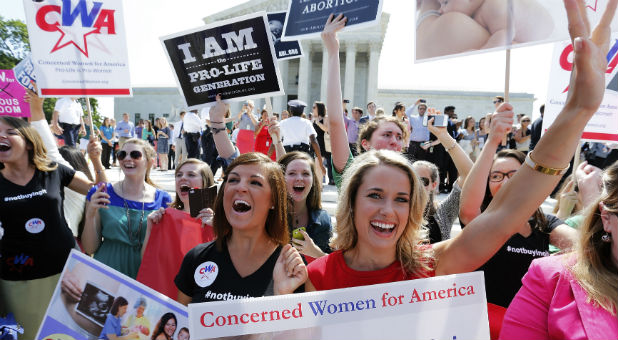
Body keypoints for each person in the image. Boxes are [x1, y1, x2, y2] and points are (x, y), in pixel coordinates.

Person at [308, 4, 611, 331]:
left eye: (401, 199)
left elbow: (506, 211)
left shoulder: (432, 265)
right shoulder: (317, 276)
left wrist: (578, 110)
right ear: (350, 201)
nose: (387, 209)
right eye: (375, 195)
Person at [0, 92, 106, 340]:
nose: (1, 137)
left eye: (10, 132)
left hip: (70, 270)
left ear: (28, 141)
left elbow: (100, 192)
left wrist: (96, 160)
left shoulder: (52, 170)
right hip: (21, 282)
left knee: (81, 335)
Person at [500, 161, 618, 339]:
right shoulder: (550, 277)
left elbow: (585, 241)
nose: (507, 183)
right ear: (607, 218)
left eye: (513, 175)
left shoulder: (547, 223)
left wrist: (590, 203)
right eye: (497, 176)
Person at [174, 150, 307, 304]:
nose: (240, 187)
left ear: (273, 201)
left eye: (255, 182)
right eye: (233, 180)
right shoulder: (196, 258)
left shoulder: (291, 266)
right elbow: (181, 325)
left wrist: (281, 295)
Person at [83, 138, 172, 279]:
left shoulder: (163, 199)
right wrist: (90, 215)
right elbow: (89, 248)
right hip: (107, 272)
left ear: (150, 162)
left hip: (145, 273)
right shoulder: (101, 193)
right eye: (122, 155)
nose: (127, 159)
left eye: (135, 155)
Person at [138, 159, 215, 298]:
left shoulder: (220, 222)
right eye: (179, 175)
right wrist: (151, 229)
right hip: (167, 301)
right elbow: (148, 262)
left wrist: (218, 230)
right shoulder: (164, 217)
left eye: (191, 175)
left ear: (205, 182)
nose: (183, 178)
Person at [412, 117, 473, 243]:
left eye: (423, 181)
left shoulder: (444, 211)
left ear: (434, 184)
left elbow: (469, 175)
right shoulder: (397, 208)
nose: (416, 185)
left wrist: (444, 136)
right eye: (412, 180)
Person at [279, 152, 333, 262]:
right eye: (292, 173)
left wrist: (314, 252)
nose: (299, 178)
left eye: (305, 174)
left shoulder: (323, 220)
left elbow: (334, 267)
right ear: (280, 179)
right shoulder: (268, 217)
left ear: (313, 180)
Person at [437, 0, 553, 49]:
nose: (440, 10)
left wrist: (483, 51)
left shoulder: (493, 6)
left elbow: (506, 33)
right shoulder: (476, 9)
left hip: (542, 30)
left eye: (445, 2)